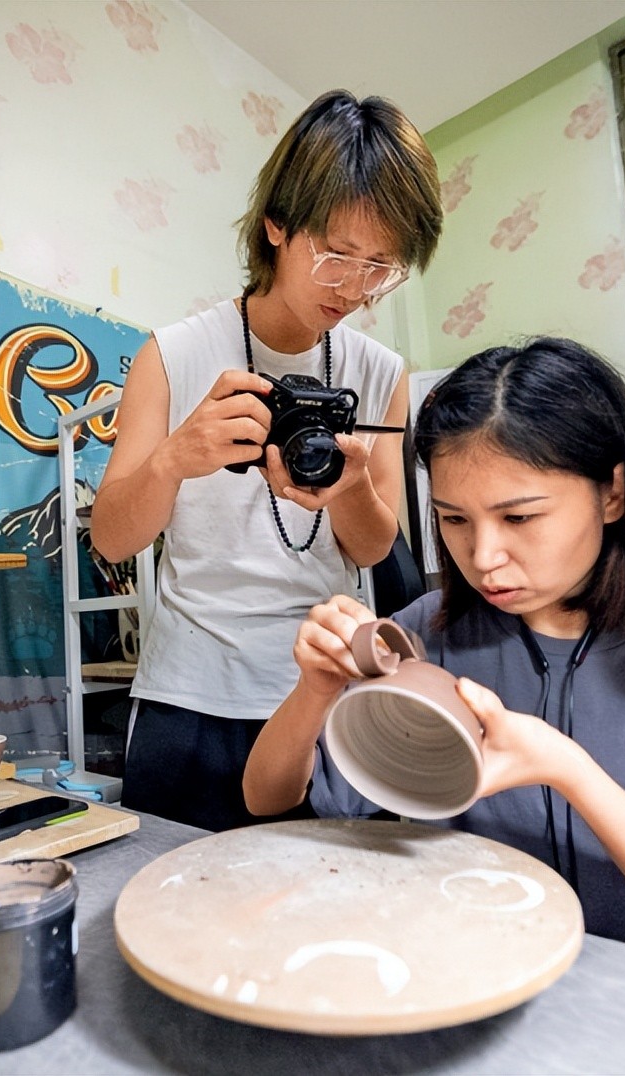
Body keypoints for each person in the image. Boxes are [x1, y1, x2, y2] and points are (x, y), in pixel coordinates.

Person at [243, 337, 625, 995]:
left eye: (519, 517)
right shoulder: (428, 632)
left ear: (613, 493)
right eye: (454, 520)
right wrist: (316, 691)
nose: (483, 555)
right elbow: (272, 799)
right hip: (470, 999)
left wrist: (567, 769)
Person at [91, 89, 444, 833]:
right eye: (337, 256)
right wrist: (175, 459)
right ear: (277, 225)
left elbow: (376, 547)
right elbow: (113, 539)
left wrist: (347, 489)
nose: (354, 290)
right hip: (189, 694)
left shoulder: (380, 370)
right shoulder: (173, 353)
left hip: (321, 687)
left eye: (380, 267)